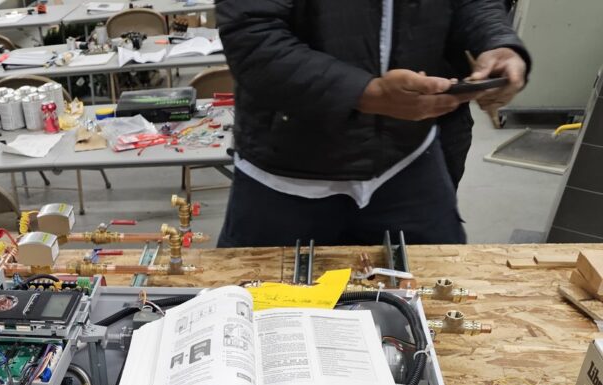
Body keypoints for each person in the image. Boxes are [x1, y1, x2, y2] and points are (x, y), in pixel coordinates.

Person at [215, 0, 531, 247]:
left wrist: (496, 42)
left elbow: (471, 3)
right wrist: (364, 94)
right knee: (263, 313)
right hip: (286, 173)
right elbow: (253, 38)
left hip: (408, 157)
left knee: (434, 305)